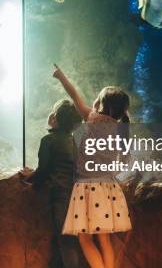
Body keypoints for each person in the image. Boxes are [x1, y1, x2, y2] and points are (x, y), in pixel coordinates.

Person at [53, 64, 132, 268]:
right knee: (104, 240)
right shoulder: (120, 129)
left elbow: (75, 96)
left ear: (105, 106)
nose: (94, 100)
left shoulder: (93, 119)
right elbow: (124, 163)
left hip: (88, 188)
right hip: (108, 188)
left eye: (98, 97)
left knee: (84, 239)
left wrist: (61, 77)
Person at [26, 99, 85, 268]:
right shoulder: (74, 141)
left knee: (65, 242)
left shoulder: (48, 140)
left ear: (56, 119)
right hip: (74, 195)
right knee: (66, 241)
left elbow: (43, 170)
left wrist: (30, 181)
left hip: (59, 196)